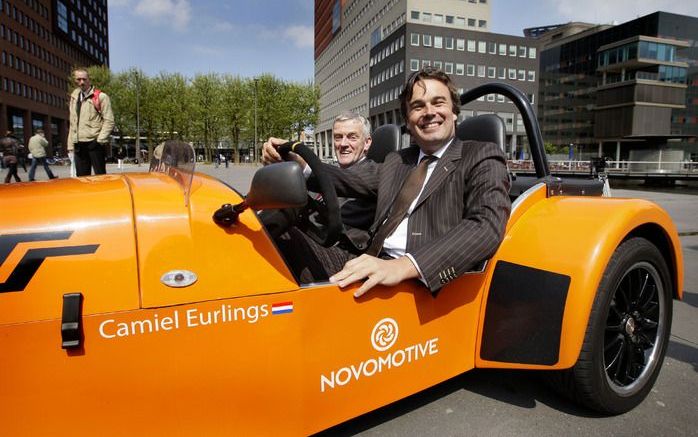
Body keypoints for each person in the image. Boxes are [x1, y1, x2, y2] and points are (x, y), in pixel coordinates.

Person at [263, 67, 510, 297]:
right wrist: (300, 163)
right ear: (409, 120)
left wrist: (404, 266)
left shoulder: (481, 155)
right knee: (278, 235)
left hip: (418, 281)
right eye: (417, 106)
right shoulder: (397, 161)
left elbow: (485, 225)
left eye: (438, 102)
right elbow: (347, 178)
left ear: (454, 112)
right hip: (369, 260)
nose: (429, 112)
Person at [67, 68, 115, 176]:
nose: (82, 82)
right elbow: (72, 123)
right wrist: (70, 145)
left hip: (95, 143)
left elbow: (109, 121)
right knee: (82, 180)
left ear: (89, 80)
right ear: (75, 81)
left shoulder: (101, 97)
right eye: (78, 79)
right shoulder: (74, 98)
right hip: (79, 145)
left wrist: (100, 141)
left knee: (100, 177)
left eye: (84, 79)